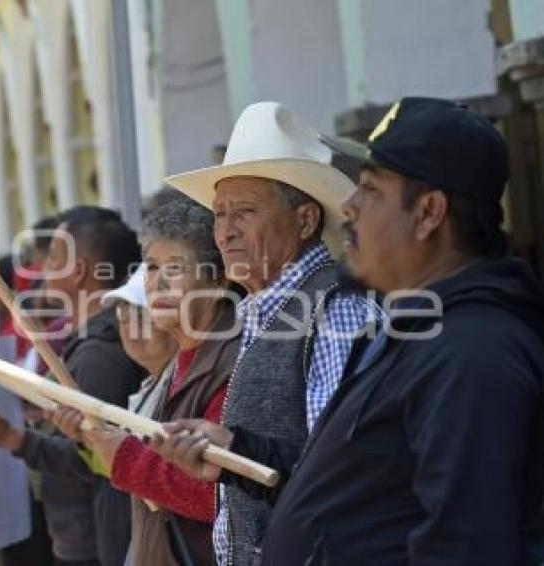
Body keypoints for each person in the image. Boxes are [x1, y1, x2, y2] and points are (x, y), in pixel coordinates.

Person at [157, 97, 544, 565]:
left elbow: (465, 541)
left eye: (372, 191)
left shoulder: (471, 352)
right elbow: (358, 477)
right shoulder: (421, 332)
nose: (351, 208)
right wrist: (237, 452)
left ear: (428, 213)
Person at [151, 102, 380, 564]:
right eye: (219, 214)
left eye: (245, 212)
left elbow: (339, 470)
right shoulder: (264, 311)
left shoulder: (337, 310)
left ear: (305, 221)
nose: (225, 232)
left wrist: (234, 451)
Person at [52, 197, 241, 565]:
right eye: (152, 267)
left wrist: (122, 454)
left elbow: (218, 495)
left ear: (217, 279)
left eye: (175, 267)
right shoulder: (171, 368)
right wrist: (92, 438)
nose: (158, 283)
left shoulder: (233, 363)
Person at [0, 206, 147, 566]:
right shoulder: (85, 343)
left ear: (78, 271)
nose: (42, 270)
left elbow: (102, 460)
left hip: (94, 542)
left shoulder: (99, 355)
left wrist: (15, 439)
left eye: (51, 258)